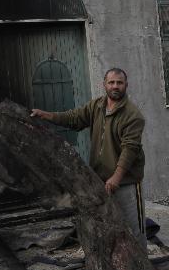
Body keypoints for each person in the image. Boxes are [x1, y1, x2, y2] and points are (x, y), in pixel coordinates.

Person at [31, 68, 147, 247]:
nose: (115, 86)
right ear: (104, 85)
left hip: (126, 183)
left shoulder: (133, 115)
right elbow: (74, 118)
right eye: (111, 82)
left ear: (126, 85)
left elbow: (129, 149)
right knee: (107, 228)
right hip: (99, 181)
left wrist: (116, 177)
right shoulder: (97, 106)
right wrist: (46, 115)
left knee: (134, 229)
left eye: (119, 82)